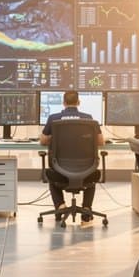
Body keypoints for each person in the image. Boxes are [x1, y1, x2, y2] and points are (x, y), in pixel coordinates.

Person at [39, 89, 104, 222]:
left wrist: (56, 137)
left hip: (60, 173)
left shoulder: (53, 118)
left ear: (63, 103)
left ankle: (60, 206)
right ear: (78, 102)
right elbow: (101, 142)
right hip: (87, 173)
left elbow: (43, 141)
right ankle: (86, 209)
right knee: (93, 174)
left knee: (51, 173)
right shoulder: (89, 119)